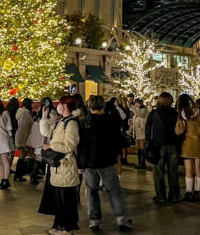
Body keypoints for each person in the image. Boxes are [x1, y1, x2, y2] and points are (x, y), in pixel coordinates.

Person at [78, 95, 133, 232]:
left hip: (90, 163)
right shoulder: (111, 121)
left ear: (89, 106)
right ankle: (122, 219)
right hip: (107, 161)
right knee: (114, 191)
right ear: (103, 106)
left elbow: (82, 146)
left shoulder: (84, 123)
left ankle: (94, 220)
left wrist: (81, 163)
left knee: (92, 191)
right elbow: (118, 140)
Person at [38, 96, 80, 234]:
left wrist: (51, 145)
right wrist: (44, 116)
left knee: (66, 198)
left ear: (65, 106)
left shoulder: (72, 123)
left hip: (66, 164)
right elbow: (46, 131)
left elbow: (69, 145)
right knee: (58, 198)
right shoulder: (60, 121)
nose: (58, 107)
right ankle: (59, 225)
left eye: (60, 104)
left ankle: (67, 227)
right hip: (57, 166)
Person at [145, 92, 180, 204]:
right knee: (173, 171)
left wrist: (148, 142)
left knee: (158, 172)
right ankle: (174, 195)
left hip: (158, 145)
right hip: (173, 144)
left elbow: (148, 127)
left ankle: (161, 196)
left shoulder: (155, 113)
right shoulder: (175, 113)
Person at [174, 94, 200, 202]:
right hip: (198, 143)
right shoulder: (198, 112)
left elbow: (179, 131)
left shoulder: (182, 114)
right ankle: (197, 192)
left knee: (188, 170)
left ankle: (188, 192)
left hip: (187, 144)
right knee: (198, 169)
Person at [0, 98, 14, 189]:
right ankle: (3, 179)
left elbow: (2, 125)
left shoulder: (5, 113)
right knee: (1, 161)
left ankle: (6, 180)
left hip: (4, 139)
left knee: (5, 160)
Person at [14, 98, 34, 182]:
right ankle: (31, 175)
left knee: (24, 156)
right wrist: (26, 141)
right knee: (30, 156)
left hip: (21, 137)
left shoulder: (20, 111)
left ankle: (20, 174)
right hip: (24, 138)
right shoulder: (25, 113)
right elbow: (25, 127)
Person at [131, 98, 149, 170]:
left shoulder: (144, 110)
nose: (136, 105)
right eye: (136, 103)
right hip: (137, 132)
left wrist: (133, 107)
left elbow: (141, 114)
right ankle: (139, 162)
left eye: (138, 103)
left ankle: (143, 162)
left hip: (142, 132)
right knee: (138, 147)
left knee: (142, 147)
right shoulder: (136, 112)